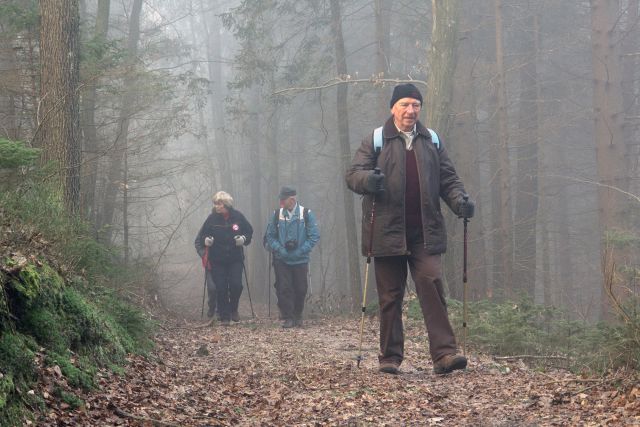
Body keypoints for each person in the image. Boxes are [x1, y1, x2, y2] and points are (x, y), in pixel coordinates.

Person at [345, 83, 475, 375]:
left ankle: (444, 355)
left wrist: (461, 202)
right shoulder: (376, 140)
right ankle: (390, 357)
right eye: (405, 104)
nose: (411, 110)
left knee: (431, 284)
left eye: (416, 105)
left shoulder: (432, 141)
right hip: (386, 231)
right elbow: (352, 175)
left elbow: (448, 181)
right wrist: (368, 180)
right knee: (390, 295)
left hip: (424, 233)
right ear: (393, 108)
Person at [263, 186, 320, 328]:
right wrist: (279, 249)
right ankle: (288, 317)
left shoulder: (306, 214)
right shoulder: (277, 214)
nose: (281, 202)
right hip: (281, 259)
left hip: (300, 259)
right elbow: (270, 236)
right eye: (281, 199)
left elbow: (314, 236)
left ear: (292, 199)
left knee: (301, 288)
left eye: (284, 199)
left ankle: (298, 315)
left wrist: (300, 251)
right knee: (284, 288)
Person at [195, 191, 253, 326]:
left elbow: (249, 231)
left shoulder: (238, 216)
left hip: (235, 258)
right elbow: (203, 235)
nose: (216, 206)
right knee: (220, 287)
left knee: (236, 285)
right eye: (215, 203)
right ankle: (225, 316)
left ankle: (233, 309)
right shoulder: (211, 219)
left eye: (219, 203)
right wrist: (206, 240)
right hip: (217, 259)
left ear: (226, 204)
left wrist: (243, 239)